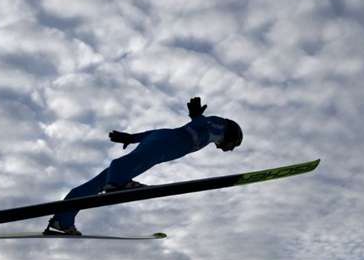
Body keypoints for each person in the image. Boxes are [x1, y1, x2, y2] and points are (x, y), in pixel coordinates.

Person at [45, 97, 243, 235]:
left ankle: (62, 220)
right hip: (170, 143)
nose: (226, 149)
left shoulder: (211, 134)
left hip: (164, 139)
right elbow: (207, 123)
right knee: (124, 166)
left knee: (97, 183)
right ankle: (117, 183)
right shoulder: (221, 126)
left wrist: (132, 138)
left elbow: (159, 133)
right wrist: (196, 116)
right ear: (232, 136)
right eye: (232, 145)